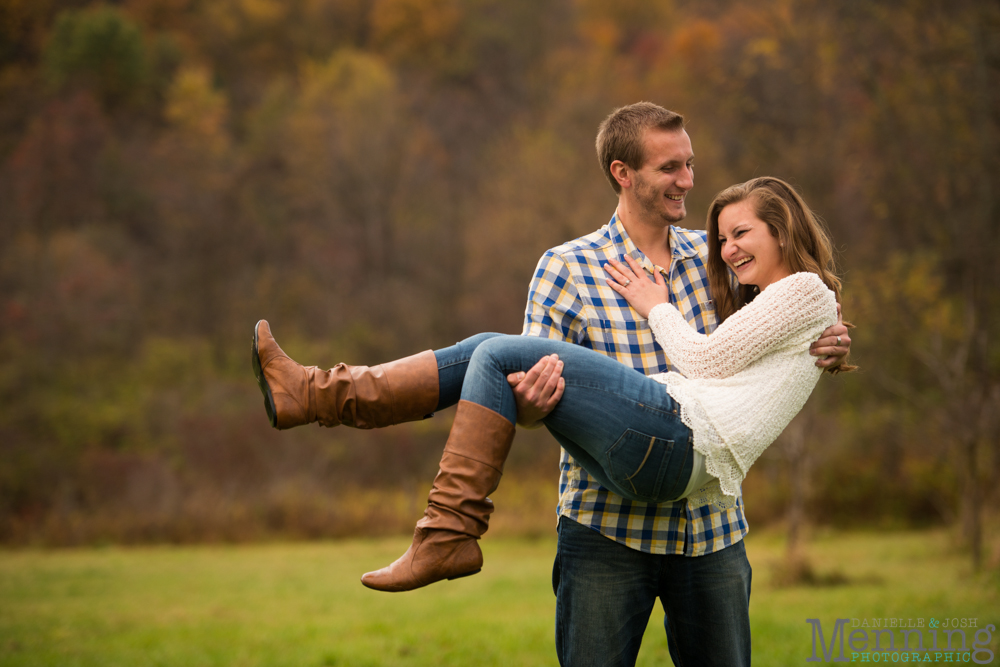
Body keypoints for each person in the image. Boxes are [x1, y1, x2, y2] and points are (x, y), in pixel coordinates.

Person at [253, 104, 854, 667]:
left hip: (709, 525)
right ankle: (331, 410)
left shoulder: (717, 257)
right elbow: (518, 395)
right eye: (670, 166)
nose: (688, 180)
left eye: (690, 164)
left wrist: (827, 341)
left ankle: (341, 419)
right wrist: (528, 406)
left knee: (488, 350)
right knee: (495, 357)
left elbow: (781, 319)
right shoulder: (567, 267)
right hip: (607, 528)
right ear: (623, 173)